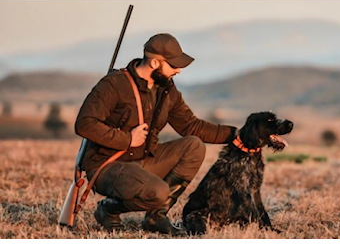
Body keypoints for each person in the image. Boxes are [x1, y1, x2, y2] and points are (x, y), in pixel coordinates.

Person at [75, 33, 237, 236]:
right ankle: (108, 208)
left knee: (194, 146)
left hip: (142, 160)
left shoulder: (167, 90)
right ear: (154, 63)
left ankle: (156, 217)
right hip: (108, 165)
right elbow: (84, 124)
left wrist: (237, 134)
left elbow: (192, 126)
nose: (178, 70)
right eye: (173, 65)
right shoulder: (114, 84)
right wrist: (127, 139)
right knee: (159, 192)